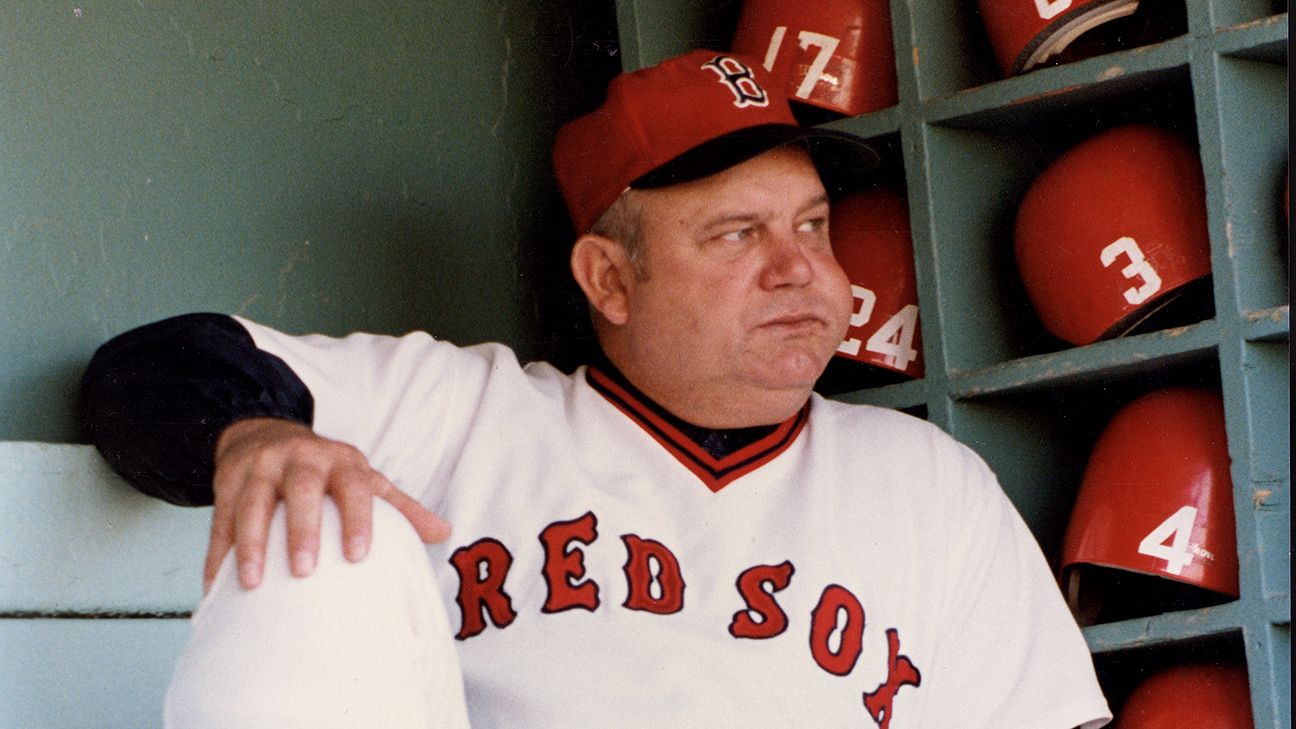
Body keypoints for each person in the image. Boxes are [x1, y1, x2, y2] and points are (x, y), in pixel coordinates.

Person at [80, 49, 1113, 728]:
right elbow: (155, 370)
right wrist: (254, 433)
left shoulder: (932, 487)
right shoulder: (465, 412)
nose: (801, 270)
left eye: (810, 227)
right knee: (317, 514)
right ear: (608, 280)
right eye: (737, 235)